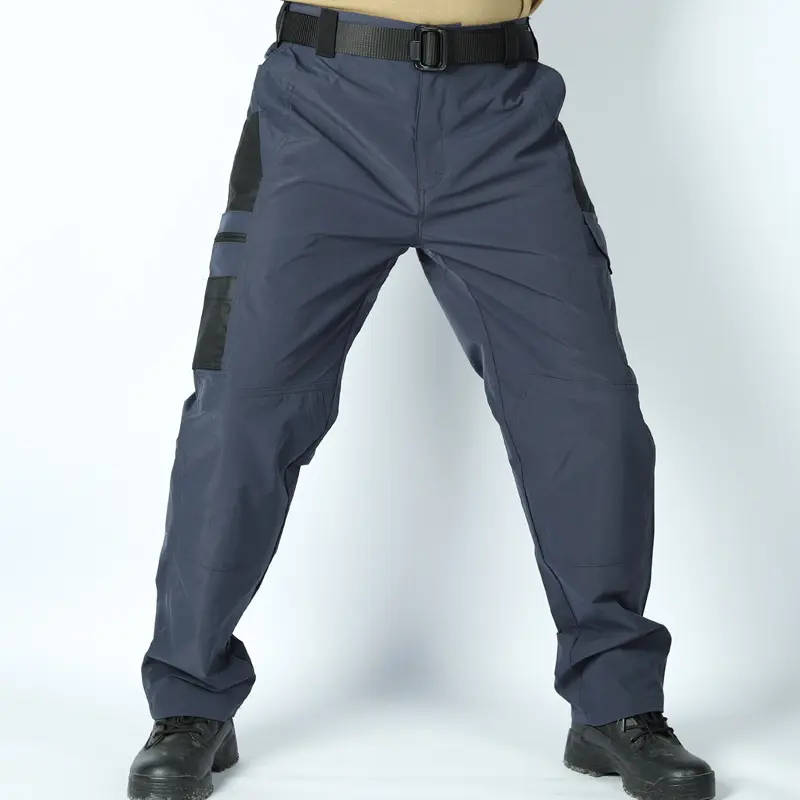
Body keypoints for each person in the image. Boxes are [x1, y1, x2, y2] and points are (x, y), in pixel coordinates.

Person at [127, 3, 715, 800]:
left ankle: (616, 702)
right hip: (323, 106)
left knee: (588, 410)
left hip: (499, 113)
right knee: (243, 409)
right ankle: (189, 701)